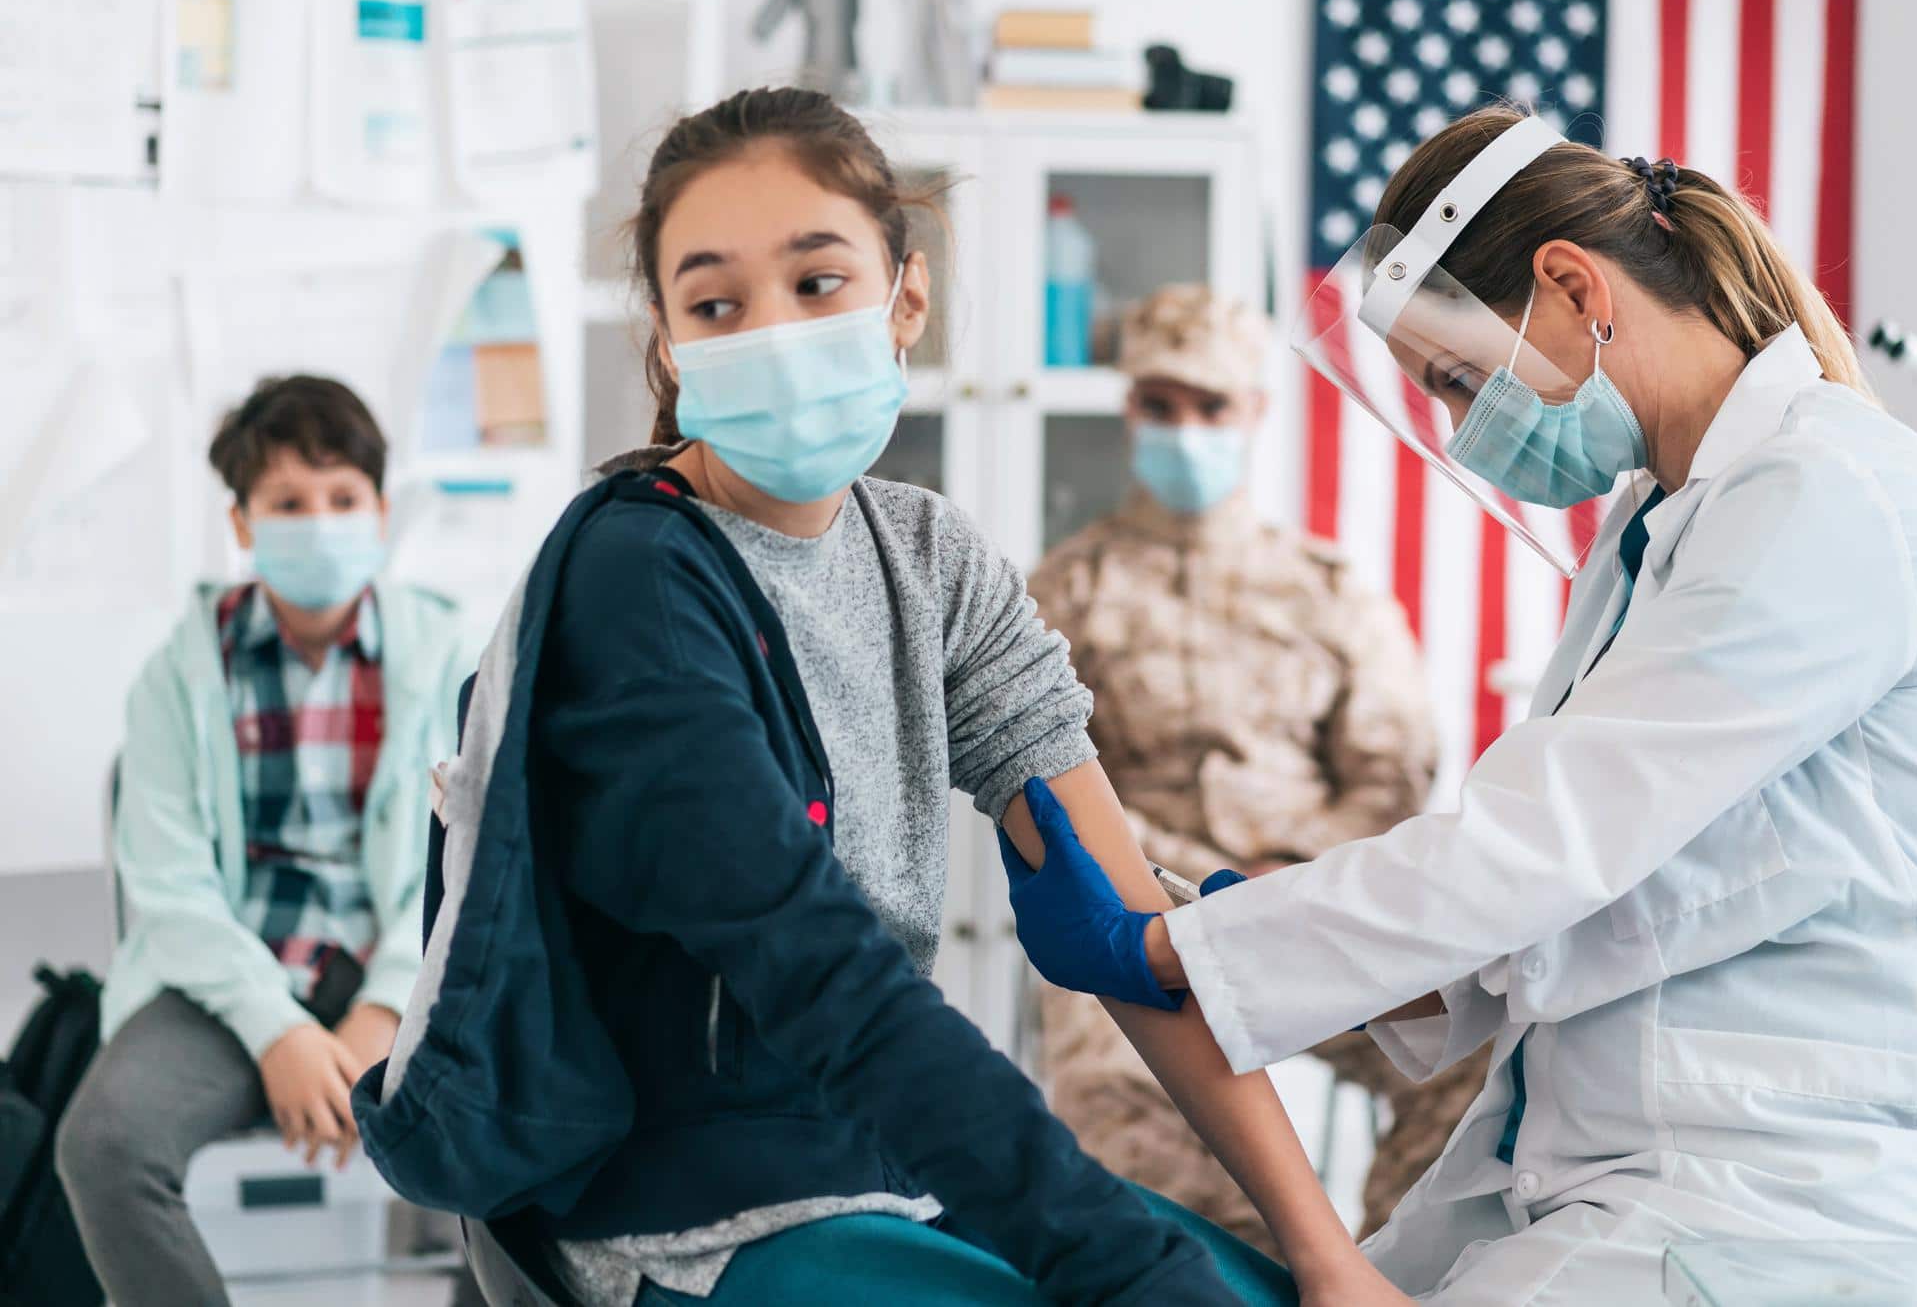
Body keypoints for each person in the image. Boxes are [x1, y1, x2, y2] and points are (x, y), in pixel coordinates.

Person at [357, 88, 1404, 1307]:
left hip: (885, 1161)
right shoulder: (633, 582)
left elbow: (1112, 926)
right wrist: (1126, 1264)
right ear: (669, 340)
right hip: (692, 1213)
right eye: (716, 303)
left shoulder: (929, 559)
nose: (775, 333)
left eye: (816, 282)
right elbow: (821, 979)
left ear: (907, 296)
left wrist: (1325, 1257)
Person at [1003, 105, 1917, 1302]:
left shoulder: (1821, 498)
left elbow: (1546, 843)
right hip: (1615, 1153)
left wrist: (1184, 947)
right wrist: (1249, 924)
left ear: (1574, 286)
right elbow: (1619, 885)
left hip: (1770, 1186)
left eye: (1458, 381)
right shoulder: (1664, 524)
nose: (1460, 429)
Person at [1029, 283, 1476, 1246]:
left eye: (1210, 406)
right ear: (1129, 408)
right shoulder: (1067, 589)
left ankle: (1388, 1275)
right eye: (1161, 404)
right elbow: (1036, 785)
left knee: (1476, 1063)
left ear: (1253, 414)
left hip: (1305, 906)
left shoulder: (1327, 589)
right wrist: (1155, 891)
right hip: (1132, 924)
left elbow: (1393, 769)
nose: (1184, 429)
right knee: (1142, 1141)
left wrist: (1301, 873)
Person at [57, 376, 468, 1307]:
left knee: (512, 1122)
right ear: (242, 523)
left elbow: (467, 859)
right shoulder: (176, 673)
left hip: (403, 969)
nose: (318, 522)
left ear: (379, 509)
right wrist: (275, 1028)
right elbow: (168, 888)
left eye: (341, 498)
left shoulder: (448, 653)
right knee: (105, 1144)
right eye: (287, 502)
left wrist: (385, 1011)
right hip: (231, 972)